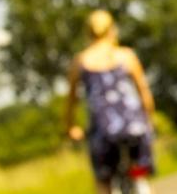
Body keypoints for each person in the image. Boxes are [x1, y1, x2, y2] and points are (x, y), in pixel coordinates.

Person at [65, 10, 156, 194]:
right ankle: (140, 182)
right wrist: (149, 119)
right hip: (134, 126)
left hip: (102, 129)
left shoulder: (81, 61)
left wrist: (71, 127)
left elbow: (71, 102)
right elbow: (144, 93)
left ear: (88, 33)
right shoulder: (126, 55)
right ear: (112, 30)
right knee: (139, 172)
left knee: (104, 181)